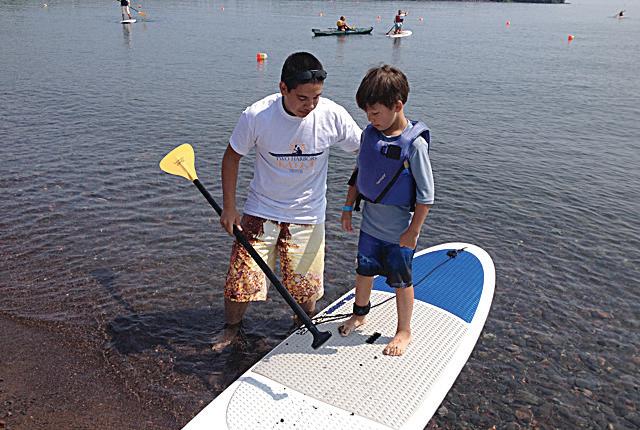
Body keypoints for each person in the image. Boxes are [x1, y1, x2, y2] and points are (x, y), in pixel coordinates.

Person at [213, 52, 362, 352]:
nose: (310, 105)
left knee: (306, 289)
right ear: (283, 88)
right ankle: (231, 329)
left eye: (316, 97)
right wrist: (229, 207)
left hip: (308, 215)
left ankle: (301, 328)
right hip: (261, 210)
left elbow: (366, 151)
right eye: (302, 98)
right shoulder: (257, 116)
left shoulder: (332, 115)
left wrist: (355, 196)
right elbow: (231, 157)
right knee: (241, 280)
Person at [338, 65, 434, 356]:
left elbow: (426, 196)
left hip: (399, 230)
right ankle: (359, 314)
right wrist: (347, 207)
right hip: (370, 224)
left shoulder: (414, 146)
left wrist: (413, 232)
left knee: (401, 281)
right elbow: (360, 172)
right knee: (364, 271)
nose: (371, 119)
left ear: (397, 106)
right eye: (367, 113)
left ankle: (404, 331)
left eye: (376, 113)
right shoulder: (370, 135)